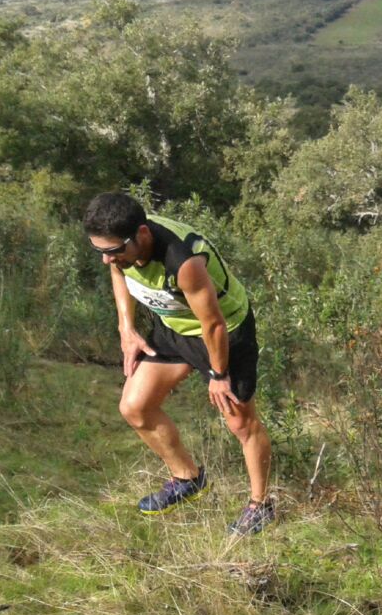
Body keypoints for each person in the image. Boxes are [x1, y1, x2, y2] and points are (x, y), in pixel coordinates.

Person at [83, 192, 274, 536]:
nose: (107, 260)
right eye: (100, 251)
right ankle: (188, 478)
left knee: (241, 423)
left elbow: (213, 322)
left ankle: (261, 506)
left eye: (113, 251)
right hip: (173, 329)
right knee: (135, 406)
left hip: (223, 333)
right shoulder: (124, 254)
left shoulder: (183, 260)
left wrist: (218, 374)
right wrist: (126, 328)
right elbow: (119, 273)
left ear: (141, 235)